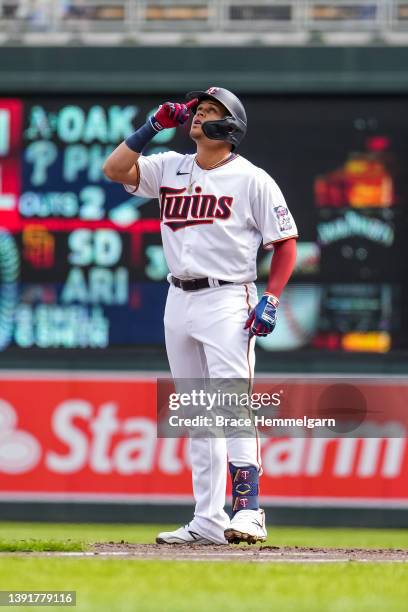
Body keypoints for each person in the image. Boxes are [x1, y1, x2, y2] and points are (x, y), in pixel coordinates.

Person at [103, 87, 298, 545]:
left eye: (209, 111)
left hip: (228, 297)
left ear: (229, 128)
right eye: (197, 110)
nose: (197, 116)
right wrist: (151, 126)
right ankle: (207, 520)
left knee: (231, 406)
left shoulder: (252, 179)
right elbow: (114, 170)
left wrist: (271, 298)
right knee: (197, 413)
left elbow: (285, 242)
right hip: (180, 297)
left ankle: (249, 510)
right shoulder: (171, 165)